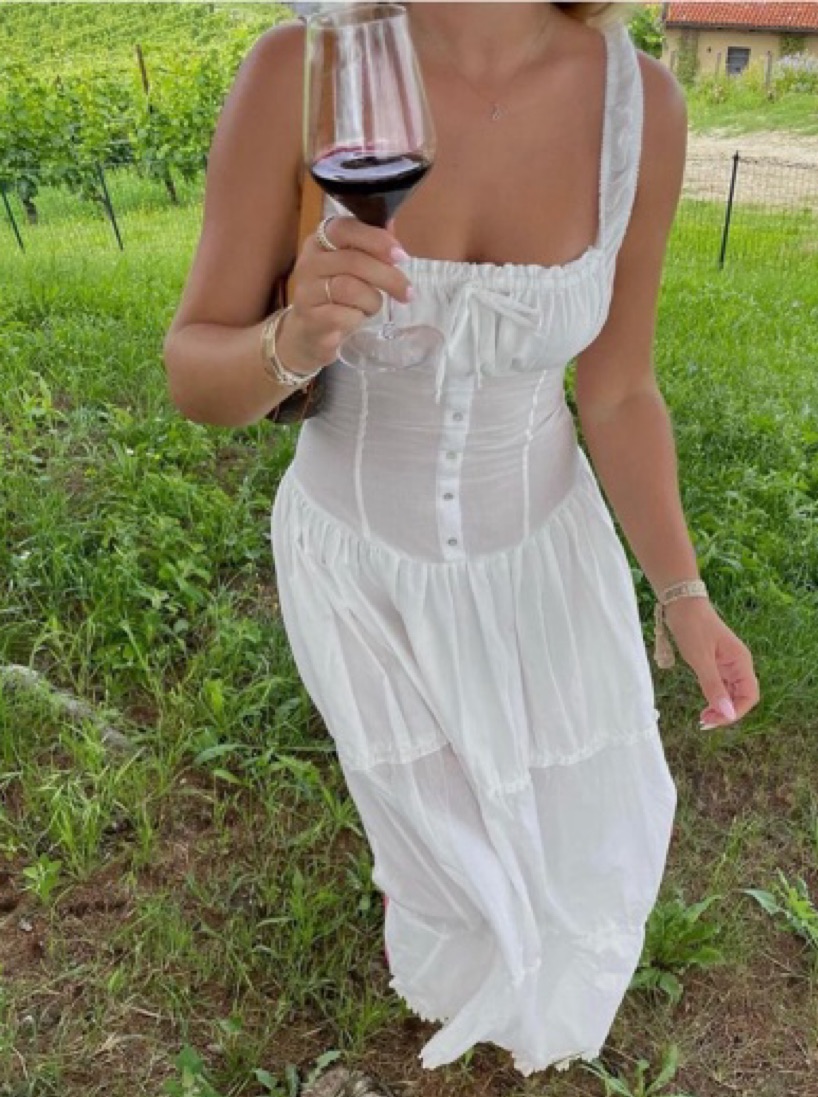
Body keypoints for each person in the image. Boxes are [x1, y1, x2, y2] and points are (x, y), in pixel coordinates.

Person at [163, 0, 760, 1077]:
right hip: (361, 575)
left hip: (546, 559)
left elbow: (619, 389)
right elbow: (196, 373)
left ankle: (527, 1008)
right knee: (438, 847)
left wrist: (684, 592)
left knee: (571, 831)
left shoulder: (641, 106)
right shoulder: (303, 69)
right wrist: (292, 336)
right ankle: (457, 980)